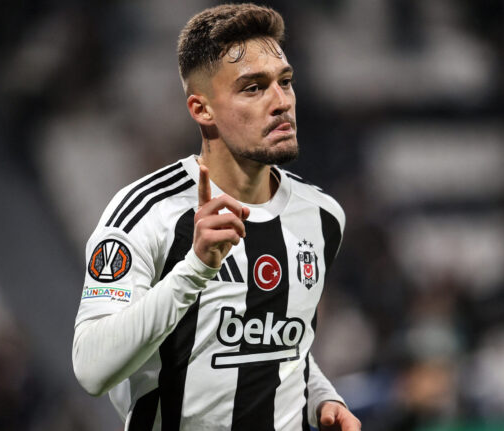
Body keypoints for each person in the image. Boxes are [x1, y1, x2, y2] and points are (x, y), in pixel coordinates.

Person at [72, 4, 361, 430]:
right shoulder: (148, 213)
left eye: (285, 82)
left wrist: (320, 396)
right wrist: (195, 269)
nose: (281, 102)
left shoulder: (321, 216)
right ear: (202, 109)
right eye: (253, 88)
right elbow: (91, 367)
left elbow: (281, 340)